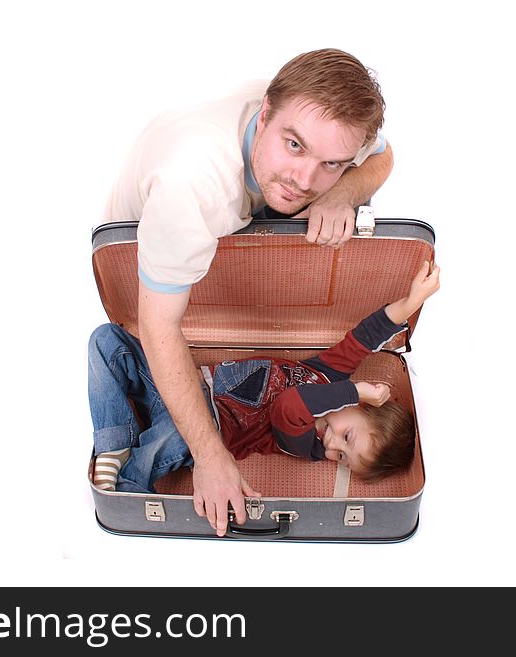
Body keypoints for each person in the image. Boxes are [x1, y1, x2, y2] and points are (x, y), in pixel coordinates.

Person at [101, 48, 393, 535]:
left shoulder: (315, 116)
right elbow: (157, 324)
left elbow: (383, 156)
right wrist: (210, 456)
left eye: (332, 164)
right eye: (294, 146)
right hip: (158, 275)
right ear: (265, 110)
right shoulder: (190, 187)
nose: (306, 181)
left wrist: (345, 192)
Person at [88, 262, 441, 528]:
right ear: (363, 408)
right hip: (182, 383)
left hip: (206, 426)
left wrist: (355, 390)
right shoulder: (328, 375)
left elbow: (290, 407)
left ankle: (127, 488)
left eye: (343, 458)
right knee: (106, 340)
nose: (334, 446)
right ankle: (115, 442)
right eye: (348, 437)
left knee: (172, 437)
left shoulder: (303, 444)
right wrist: (411, 302)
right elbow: (364, 338)